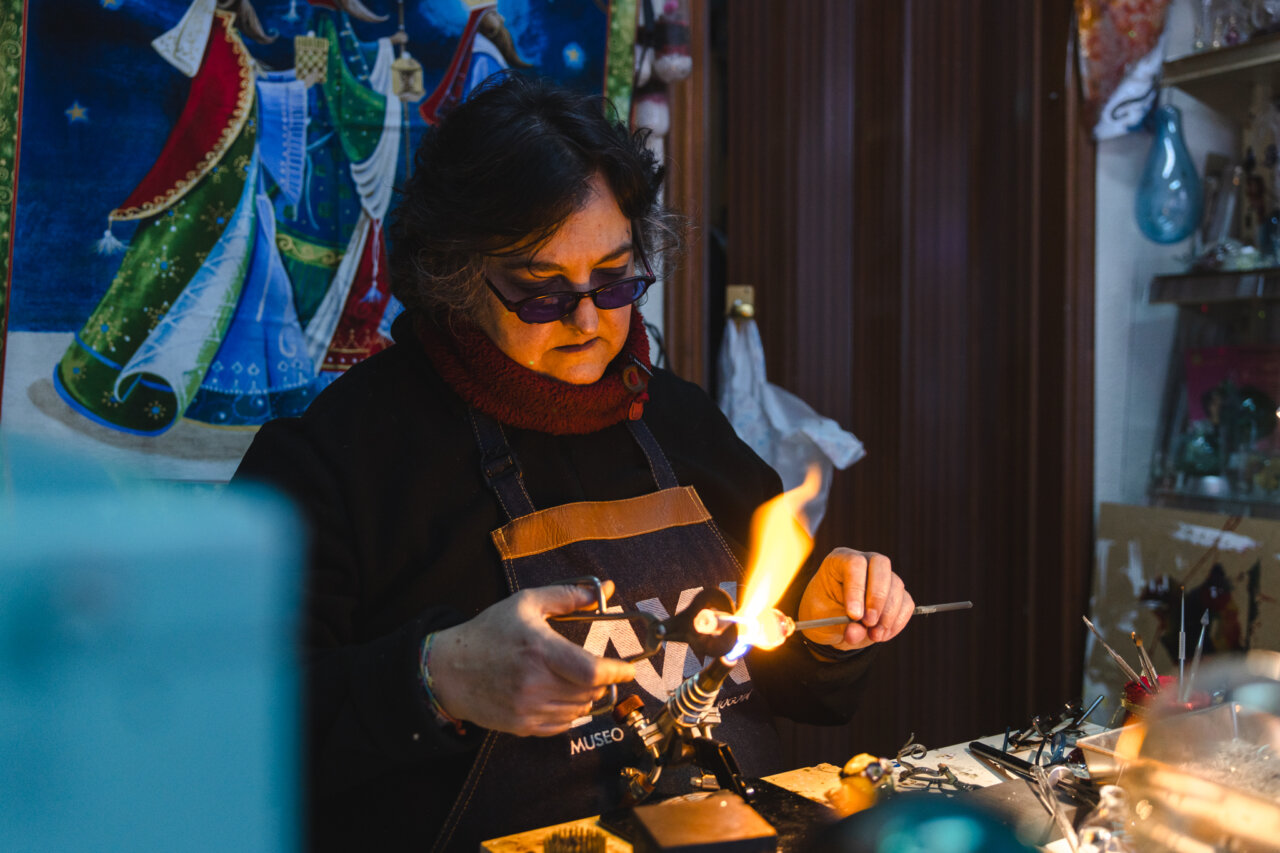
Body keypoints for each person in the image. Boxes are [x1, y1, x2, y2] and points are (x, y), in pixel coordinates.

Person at [232, 73, 916, 852]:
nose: (590, 321)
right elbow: (223, 730)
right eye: (541, 289)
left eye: (617, 278)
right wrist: (435, 679)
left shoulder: (680, 421)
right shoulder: (335, 461)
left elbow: (794, 679)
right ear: (456, 278)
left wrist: (828, 630)